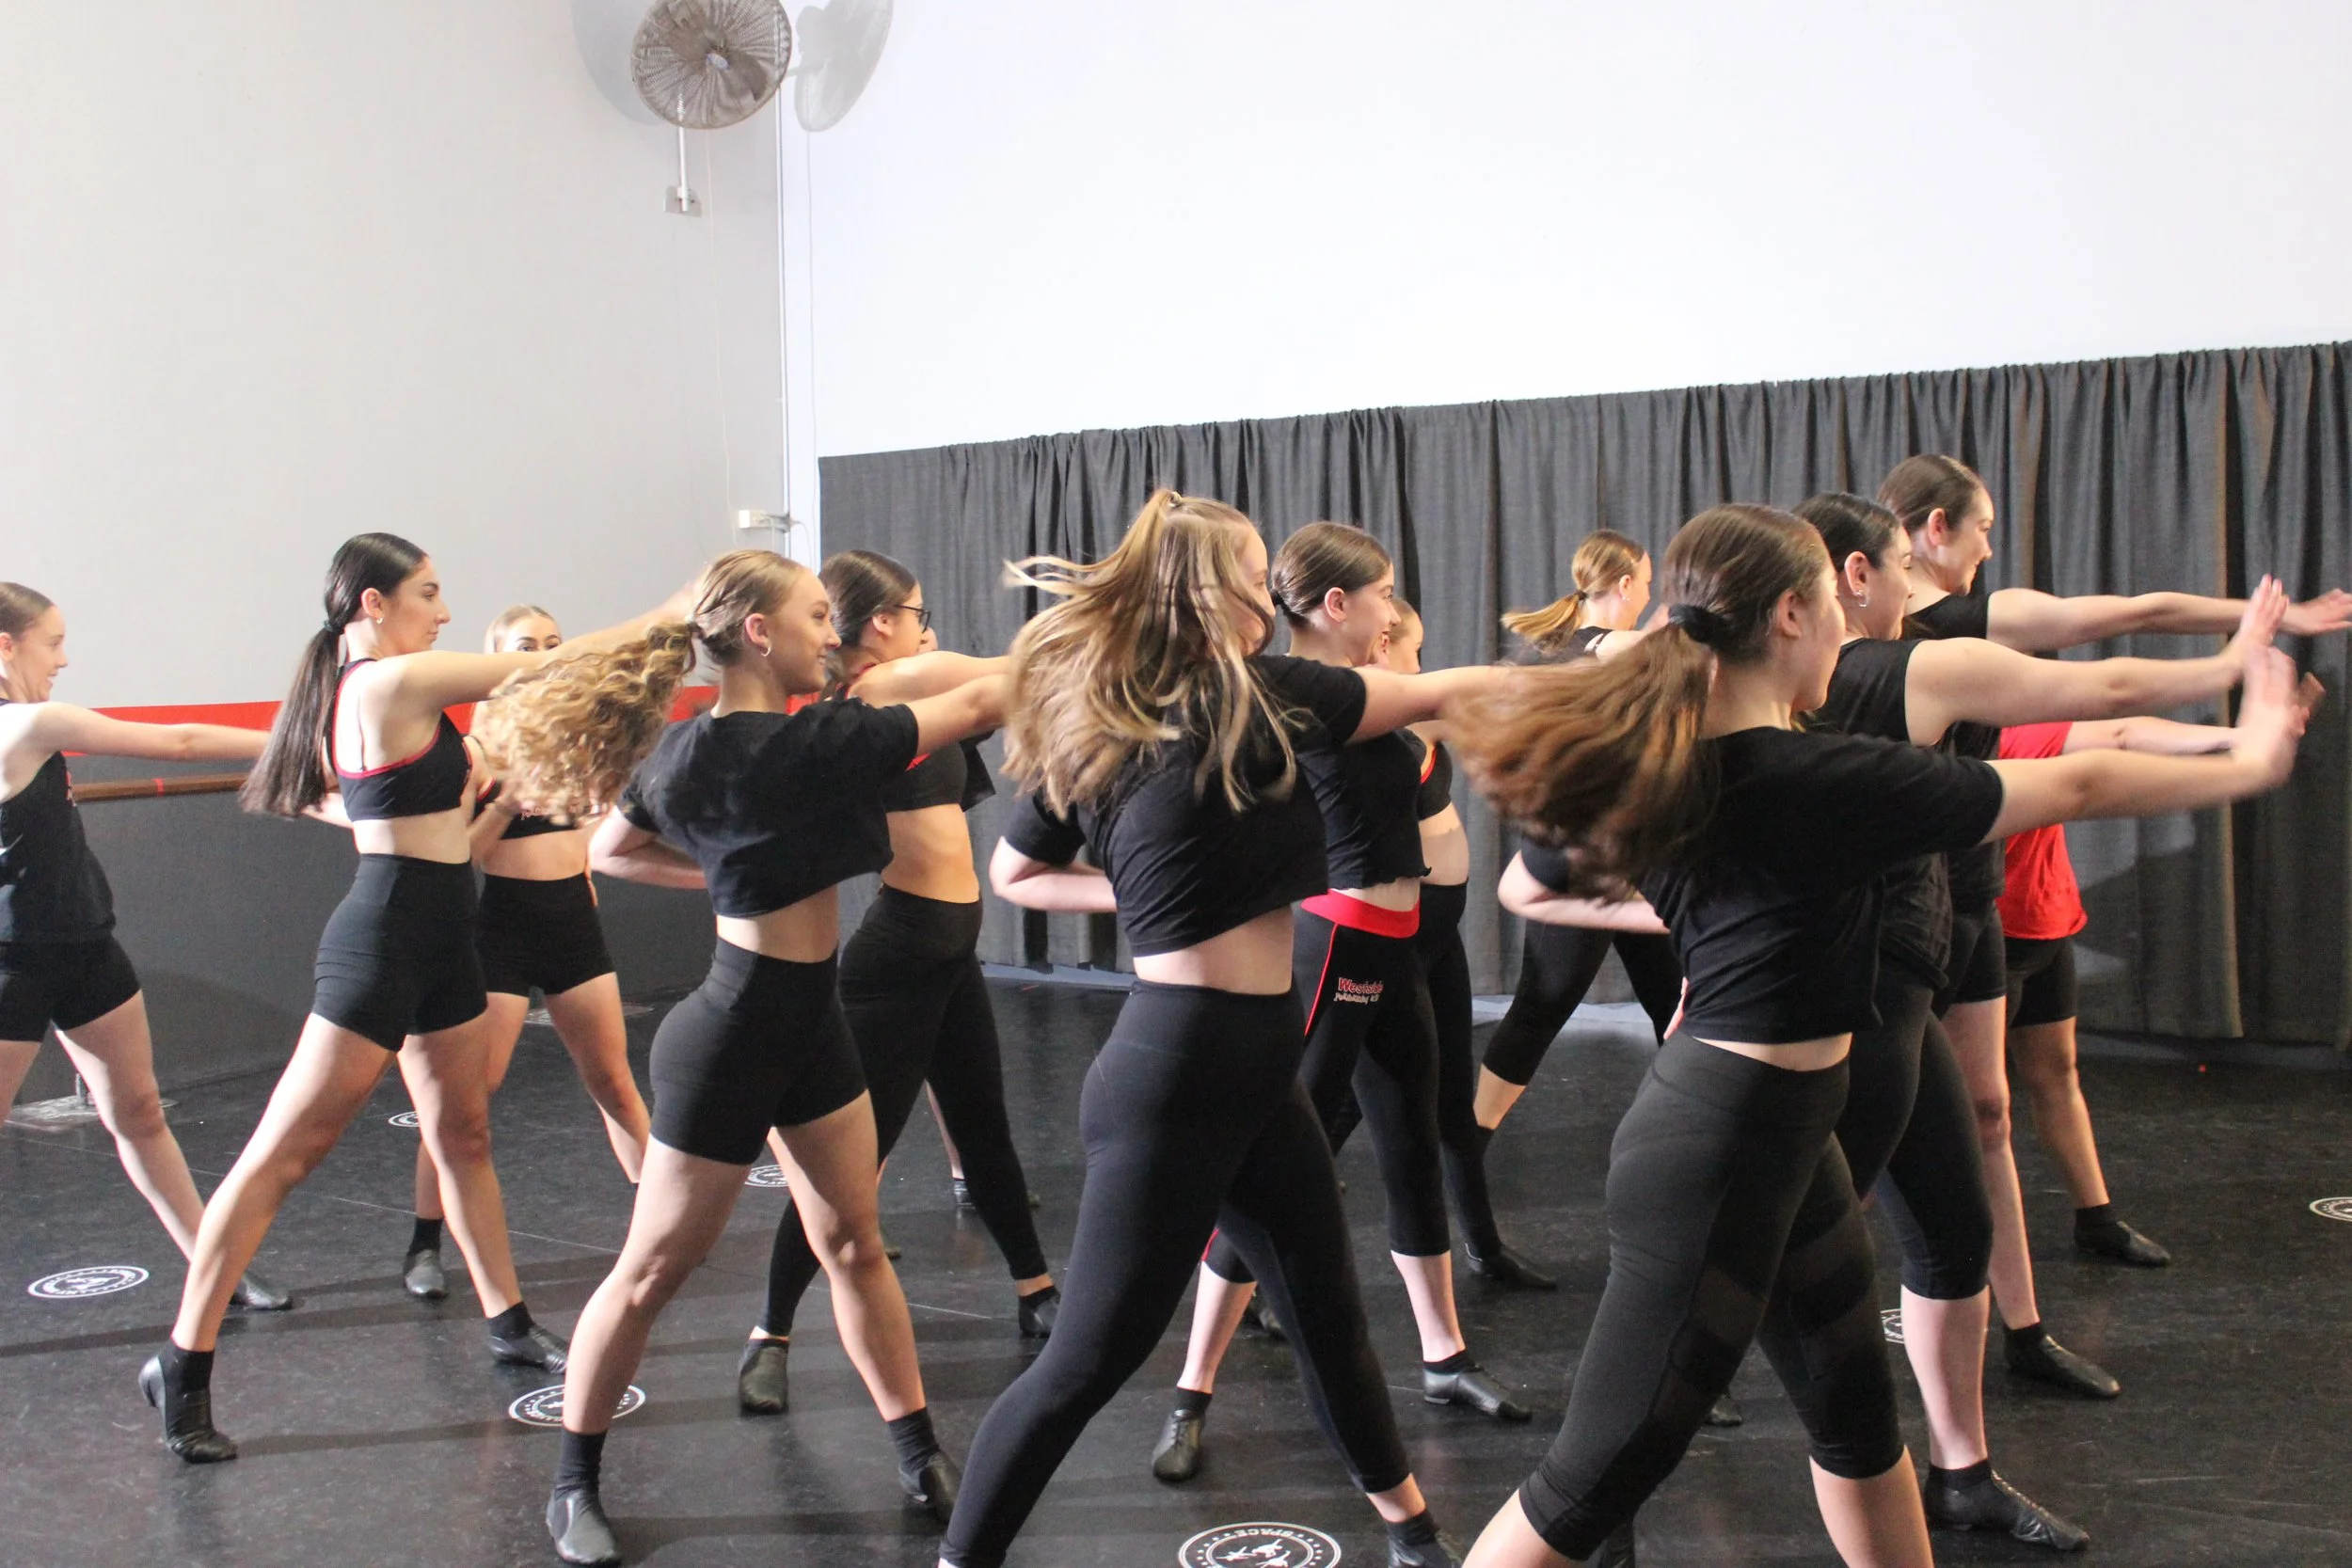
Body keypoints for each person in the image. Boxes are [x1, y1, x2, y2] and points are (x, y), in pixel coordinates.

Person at [1445, 502, 2309, 1568]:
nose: (1849, 635)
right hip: (1717, 1159)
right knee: (1584, 1488)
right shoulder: (1816, 778)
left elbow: (1538, 882)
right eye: (1834, 610)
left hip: (1782, 1143)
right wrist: (2251, 757)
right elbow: (2076, 780)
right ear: (1791, 614)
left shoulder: (1688, 763)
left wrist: (1723, 915)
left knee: (1858, 1424)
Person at [952, 492, 1509, 1568]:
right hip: (1176, 1070)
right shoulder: (1255, 691)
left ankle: (1413, 1534)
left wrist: (1161, 895)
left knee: (1328, 1315)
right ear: (1210, 591)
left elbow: (1015, 871)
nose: (1268, 595)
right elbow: (1441, 688)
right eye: (1254, 574)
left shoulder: (1125, 708)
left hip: (1254, 1064)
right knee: (1086, 1359)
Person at [477, 549, 1006, 1567]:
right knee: (650, 1269)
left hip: (811, 1024)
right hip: (730, 1037)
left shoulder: (687, 749)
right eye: (814, 615)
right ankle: (573, 1482)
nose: (831, 633)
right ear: (759, 633)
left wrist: (731, 871)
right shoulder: (817, 741)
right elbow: (984, 696)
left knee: (854, 1241)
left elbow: (613, 850)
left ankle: (917, 1452)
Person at [137, 535, 689, 1465]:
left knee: (464, 1132)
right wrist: (673, 609)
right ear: (372, 602)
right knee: (285, 1151)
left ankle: (508, 1319)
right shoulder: (386, 683)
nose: (442, 610)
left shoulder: (388, 694)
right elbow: (550, 664)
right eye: (428, 593)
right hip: (383, 940)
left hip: (445, 938)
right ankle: (181, 1362)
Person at [1804, 489, 2286, 1548]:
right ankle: (1615, 1481)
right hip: (1830, 1012)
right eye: (1904, 562)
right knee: (1762, 1280)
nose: (1933, 574)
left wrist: (2230, 697)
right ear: (1852, 576)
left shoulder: (1881, 690)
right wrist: (2233, 677)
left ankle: (1962, 1469)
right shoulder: (1892, 672)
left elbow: (2085, 733)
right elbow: (2094, 700)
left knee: (1952, 1227)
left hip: (1905, 992)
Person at [1882, 452, 2352, 1398]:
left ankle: (2024, 1330)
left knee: (1990, 1113)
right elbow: (2107, 699)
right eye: (1979, 530)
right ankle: (1716, 1324)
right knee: (1856, 1148)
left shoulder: (1966, 625)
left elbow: (2124, 621)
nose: (1987, 548)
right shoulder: (1915, 655)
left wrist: (2261, 640)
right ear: (1930, 532)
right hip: (1896, 916)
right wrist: (2238, 668)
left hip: (1969, 899)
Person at [1152, 528, 1530, 1490]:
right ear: (1335, 605)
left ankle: (1443, 1356)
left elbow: (1450, 710)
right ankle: (1191, 1388)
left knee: (1411, 1145)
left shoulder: (1365, 689)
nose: (1392, 610)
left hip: (1395, 948)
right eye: (1383, 594)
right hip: (1339, 947)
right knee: (1277, 1167)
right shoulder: (1297, 695)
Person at [735, 549, 1057, 1419]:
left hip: (948, 954)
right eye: (915, 612)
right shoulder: (888, 684)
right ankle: (769, 1332)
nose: (924, 627)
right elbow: (1007, 673)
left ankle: (1035, 1288)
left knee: (983, 1127)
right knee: (852, 1166)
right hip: (900, 958)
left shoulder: (899, 691)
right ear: (882, 622)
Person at [0, 583, 289, 1312]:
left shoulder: (32, 724)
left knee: (140, 1111)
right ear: (7, 645)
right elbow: (180, 742)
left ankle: (214, 1266)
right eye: (53, 642)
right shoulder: (29, 723)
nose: (64, 659)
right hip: (12, 966)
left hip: (86, 949)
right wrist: (302, 741)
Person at [1994, 697, 2314, 1267]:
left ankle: (2097, 1221)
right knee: (1982, 1109)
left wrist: (2237, 740)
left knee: (2057, 1073)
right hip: (1984, 940)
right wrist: (2241, 745)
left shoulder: (2018, 724)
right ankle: (1970, 1249)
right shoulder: (1978, 744)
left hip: (2044, 925)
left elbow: (2124, 729)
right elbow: (2120, 734)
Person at [400, 604, 652, 1303]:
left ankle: (661, 1219)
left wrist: (588, 862)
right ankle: (424, 1240)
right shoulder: (477, 750)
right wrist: (508, 804)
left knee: (615, 1082)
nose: (542, 655)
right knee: (465, 1099)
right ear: (497, 658)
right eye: (525, 645)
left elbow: (594, 832)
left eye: (551, 643)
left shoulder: (581, 741)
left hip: (573, 930)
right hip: (503, 933)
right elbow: (459, 854)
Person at [1472, 533, 1681, 1290]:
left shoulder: (1557, 650)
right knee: (1543, 1010)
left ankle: (1692, 1157)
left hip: (1609, 860)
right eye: (1645, 582)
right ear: (1622, 584)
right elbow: (1660, 651)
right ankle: (1458, 1160)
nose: (1647, 594)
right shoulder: (1608, 645)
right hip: (1589, 864)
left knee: (1673, 1003)